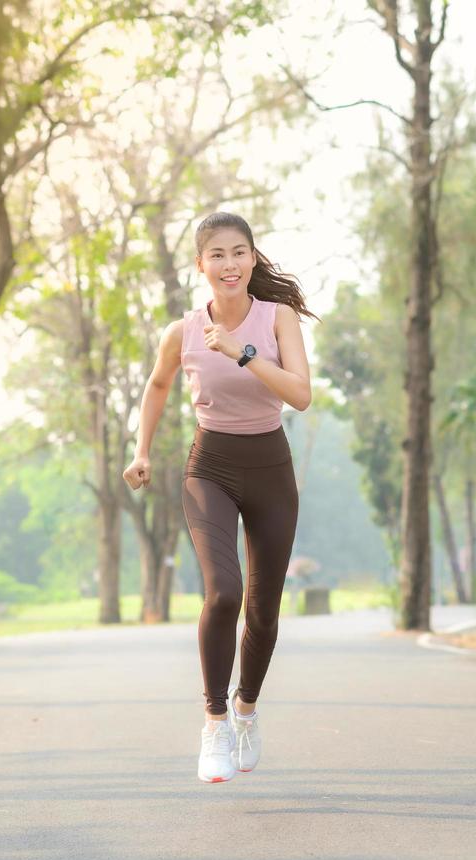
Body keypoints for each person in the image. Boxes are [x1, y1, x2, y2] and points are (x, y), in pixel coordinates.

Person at [123, 211, 319, 783]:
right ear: (201, 264)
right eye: (217, 255)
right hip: (210, 465)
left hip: (270, 467)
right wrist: (142, 451)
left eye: (239, 253)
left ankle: (246, 710)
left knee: (263, 608)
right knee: (223, 590)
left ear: (253, 259)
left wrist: (243, 352)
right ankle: (213, 724)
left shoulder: (277, 319)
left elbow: (301, 395)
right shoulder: (181, 332)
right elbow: (158, 386)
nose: (229, 265)